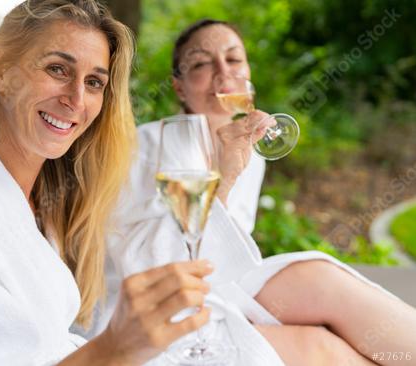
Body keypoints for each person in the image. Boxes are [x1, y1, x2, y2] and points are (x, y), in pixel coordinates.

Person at [0, 2, 221, 365]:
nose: (75, 99)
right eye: (58, 69)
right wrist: (116, 347)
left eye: (94, 83)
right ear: (0, 72)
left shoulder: (40, 205)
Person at [101, 19, 416, 365]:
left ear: (248, 72)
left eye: (234, 59)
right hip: (152, 307)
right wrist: (223, 180)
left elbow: (231, 254)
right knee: (320, 345)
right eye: (202, 63)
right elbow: (141, 265)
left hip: (222, 289)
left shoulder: (250, 155)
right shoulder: (140, 150)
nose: (223, 73)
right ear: (179, 86)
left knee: (319, 277)